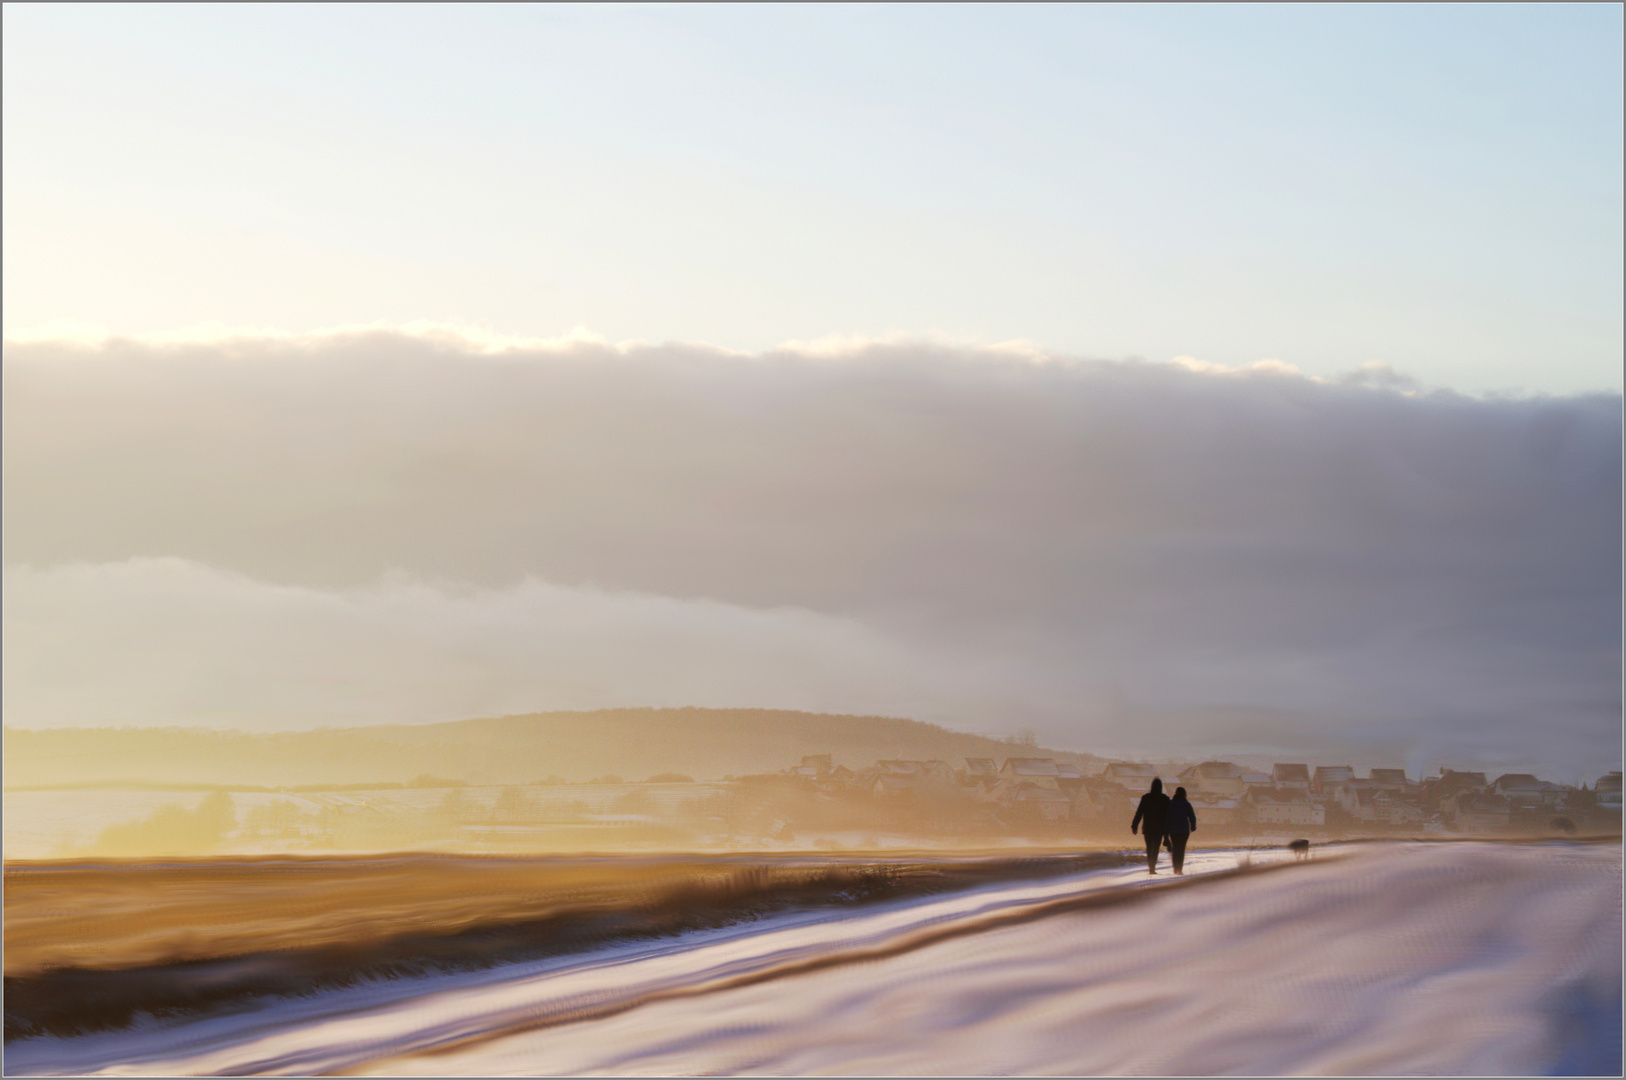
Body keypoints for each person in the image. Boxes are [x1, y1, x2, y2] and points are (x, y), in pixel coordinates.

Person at [1130, 778, 1170, 874]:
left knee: (1149, 847)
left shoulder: (1146, 798)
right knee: (1156, 848)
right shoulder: (1165, 799)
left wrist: (1134, 825)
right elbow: (1169, 816)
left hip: (1148, 828)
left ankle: (1150, 866)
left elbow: (1139, 813)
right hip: (1159, 828)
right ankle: (1153, 867)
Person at [1165, 786, 1197, 874]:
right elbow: (1192, 816)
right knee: (1181, 849)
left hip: (1173, 830)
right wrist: (1193, 826)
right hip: (1184, 831)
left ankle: (1175, 868)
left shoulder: (1171, 804)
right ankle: (1180, 869)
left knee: (1175, 849)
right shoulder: (1186, 804)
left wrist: (1166, 832)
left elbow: (1167, 818)